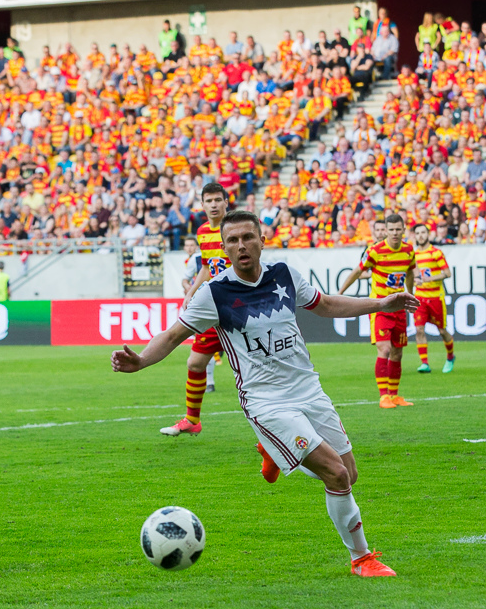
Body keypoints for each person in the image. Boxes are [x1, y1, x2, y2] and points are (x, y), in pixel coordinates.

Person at [112, 210, 420, 577]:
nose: (241, 245)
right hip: (266, 402)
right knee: (336, 474)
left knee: (349, 475)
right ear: (224, 248)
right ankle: (361, 559)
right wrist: (141, 360)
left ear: (262, 239)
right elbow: (173, 335)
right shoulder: (215, 293)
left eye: (247, 237)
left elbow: (325, 304)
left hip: (309, 389)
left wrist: (380, 304)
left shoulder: (284, 274)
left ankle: (275, 450)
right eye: (232, 240)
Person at [160, 182, 230, 436]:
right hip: (215, 307)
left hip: (238, 308)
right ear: (202, 205)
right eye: (208, 201)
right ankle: (192, 420)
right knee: (196, 362)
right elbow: (206, 267)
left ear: (226, 202)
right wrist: (191, 291)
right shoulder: (202, 232)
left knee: (252, 368)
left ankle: (273, 427)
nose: (213, 205)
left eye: (217, 200)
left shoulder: (235, 227)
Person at [337, 214, 417, 408]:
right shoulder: (375, 251)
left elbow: (410, 273)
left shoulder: (408, 251)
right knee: (385, 349)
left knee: (397, 353)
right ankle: (383, 397)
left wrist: (410, 295)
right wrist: (339, 294)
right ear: (386, 231)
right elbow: (357, 271)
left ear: (403, 230)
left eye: (398, 229)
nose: (395, 233)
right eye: (391, 230)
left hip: (399, 308)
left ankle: (394, 395)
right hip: (380, 306)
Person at [410, 223, 455, 374]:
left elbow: (447, 273)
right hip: (420, 297)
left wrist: (429, 279)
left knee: (442, 331)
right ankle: (424, 363)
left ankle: (450, 356)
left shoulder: (436, 253)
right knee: (419, 329)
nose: (420, 235)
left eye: (423, 232)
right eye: (418, 233)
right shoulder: (413, 255)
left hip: (436, 297)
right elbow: (411, 275)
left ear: (428, 234)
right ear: (415, 236)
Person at [180, 235, 216, 393]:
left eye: (191, 245)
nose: (189, 248)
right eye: (187, 245)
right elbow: (185, 280)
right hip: (203, 304)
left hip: (216, 303)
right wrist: (189, 289)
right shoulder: (194, 260)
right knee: (205, 342)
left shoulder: (208, 257)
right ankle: (210, 381)